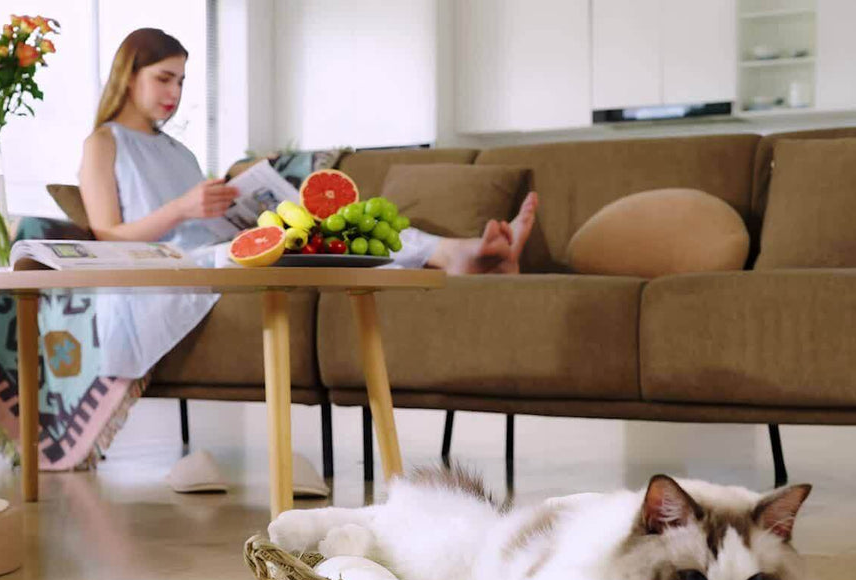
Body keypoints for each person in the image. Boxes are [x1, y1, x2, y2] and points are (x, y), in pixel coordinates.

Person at [78, 28, 539, 380]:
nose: (174, 94)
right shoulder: (103, 142)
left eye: (180, 81)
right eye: (163, 79)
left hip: (216, 251)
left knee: (331, 231)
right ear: (128, 74)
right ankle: (468, 260)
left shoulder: (180, 152)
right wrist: (182, 208)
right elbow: (105, 236)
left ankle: (454, 253)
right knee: (283, 248)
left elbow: (201, 218)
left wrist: (232, 203)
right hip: (167, 271)